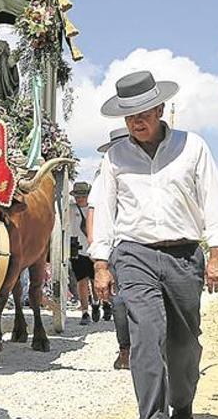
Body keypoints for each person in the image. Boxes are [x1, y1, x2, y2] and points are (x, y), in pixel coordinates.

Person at [91, 70, 218, 419]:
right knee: (146, 338)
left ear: (160, 110)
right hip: (135, 255)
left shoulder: (192, 147)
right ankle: (151, 414)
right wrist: (101, 265)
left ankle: (182, 405)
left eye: (143, 113)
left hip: (184, 256)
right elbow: (105, 212)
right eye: (130, 115)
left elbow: (213, 199)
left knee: (183, 344)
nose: (136, 121)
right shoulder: (115, 157)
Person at [88, 127, 131, 369]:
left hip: (144, 245)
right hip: (116, 249)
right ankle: (125, 349)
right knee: (120, 302)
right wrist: (99, 257)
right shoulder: (102, 178)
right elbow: (93, 217)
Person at [69, 181, 100, 325]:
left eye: (82, 195)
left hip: (94, 249)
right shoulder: (69, 209)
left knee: (94, 281)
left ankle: (97, 302)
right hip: (77, 249)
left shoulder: (96, 210)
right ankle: (85, 312)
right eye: (77, 196)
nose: (79, 198)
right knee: (81, 281)